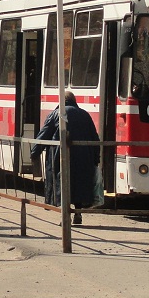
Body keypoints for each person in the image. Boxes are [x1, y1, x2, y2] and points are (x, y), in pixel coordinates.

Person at [30, 90, 101, 222]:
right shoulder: (85, 115)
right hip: (84, 158)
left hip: (61, 157)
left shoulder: (56, 114)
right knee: (79, 185)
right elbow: (95, 138)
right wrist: (96, 159)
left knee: (63, 185)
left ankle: (65, 217)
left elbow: (44, 135)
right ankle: (78, 213)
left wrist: (34, 152)